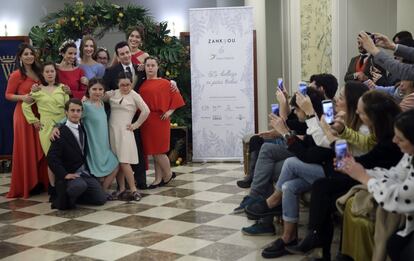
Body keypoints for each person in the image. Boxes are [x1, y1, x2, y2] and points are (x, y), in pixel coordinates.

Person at [287, 90, 403, 261]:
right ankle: (319, 241)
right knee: (319, 187)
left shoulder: (386, 136)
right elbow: (359, 146)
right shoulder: (362, 126)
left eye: (341, 97)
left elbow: (362, 158)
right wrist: (340, 134)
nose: (336, 100)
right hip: (365, 172)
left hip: (378, 179)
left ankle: (322, 243)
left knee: (320, 186)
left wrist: (320, 124)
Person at [338, 109, 414, 261]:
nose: (395, 141)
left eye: (400, 139)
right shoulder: (409, 154)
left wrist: (364, 177)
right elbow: (396, 175)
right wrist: (358, 171)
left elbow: (402, 195)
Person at [51, 79, 119, 195]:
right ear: (89, 90)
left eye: (100, 89)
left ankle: (102, 190)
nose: (97, 92)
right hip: (94, 145)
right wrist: (56, 126)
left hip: (104, 145)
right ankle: (100, 192)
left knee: (115, 165)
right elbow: (70, 117)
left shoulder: (101, 103)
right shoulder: (86, 106)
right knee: (100, 169)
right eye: (94, 89)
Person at [5, 43, 48, 198]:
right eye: (26, 54)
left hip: (39, 112)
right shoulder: (16, 75)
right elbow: (8, 95)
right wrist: (23, 97)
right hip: (23, 115)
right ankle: (27, 184)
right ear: (20, 57)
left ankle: (40, 182)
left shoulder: (39, 72)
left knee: (41, 146)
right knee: (26, 148)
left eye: (31, 53)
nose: (29, 56)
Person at [47, 99, 107, 210]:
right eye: (72, 110)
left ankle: (78, 197)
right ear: (66, 112)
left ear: (82, 112)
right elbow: (51, 157)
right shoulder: (60, 132)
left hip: (84, 173)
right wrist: (65, 174)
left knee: (101, 199)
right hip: (71, 172)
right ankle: (64, 199)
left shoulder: (83, 128)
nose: (75, 113)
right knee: (80, 185)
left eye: (78, 111)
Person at [22, 62, 69, 192]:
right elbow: (25, 105)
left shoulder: (62, 88)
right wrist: (33, 120)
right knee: (52, 158)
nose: (50, 74)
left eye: (52, 71)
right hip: (46, 126)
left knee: (64, 156)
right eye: (47, 71)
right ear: (42, 74)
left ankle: (64, 185)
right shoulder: (37, 90)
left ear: (56, 73)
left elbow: (68, 107)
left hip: (62, 124)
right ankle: (52, 188)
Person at [139, 56, 185, 188]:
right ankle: (158, 179)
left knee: (159, 151)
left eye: (153, 65)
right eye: (148, 65)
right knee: (154, 151)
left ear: (158, 67)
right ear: (145, 67)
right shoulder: (142, 83)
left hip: (160, 119)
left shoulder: (165, 83)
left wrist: (169, 111)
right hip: (147, 120)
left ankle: (169, 174)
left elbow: (176, 98)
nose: (150, 68)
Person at [107, 72, 150, 200]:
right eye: (122, 85)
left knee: (124, 161)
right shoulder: (113, 93)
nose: (125, 87)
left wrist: (135, 125)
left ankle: (134, 189)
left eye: (127, 84)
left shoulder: (134, 95)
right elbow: (99, 96)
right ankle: (121, 188)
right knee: (117, 161)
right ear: (118, 85)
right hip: (112, 130)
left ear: (131, 84)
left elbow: (146, 111)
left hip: (125, 131)